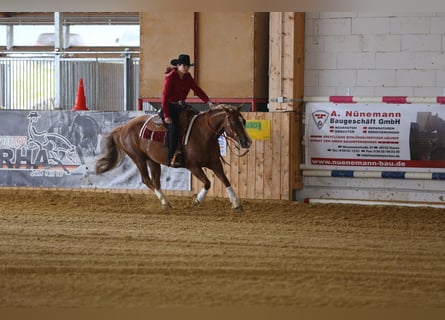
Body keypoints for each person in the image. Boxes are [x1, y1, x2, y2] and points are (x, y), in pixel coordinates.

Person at [161, 54, 214, 167]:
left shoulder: (188, 77)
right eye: (184, 66)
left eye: (187, 66)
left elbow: (197, 90)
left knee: (196, 120)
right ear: (178, 65)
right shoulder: (170, 77)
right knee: (174, 128)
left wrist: (208, 101)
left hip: (181, 106)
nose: (186, 68)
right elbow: (164, 97)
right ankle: (171, 157)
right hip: (170, 107)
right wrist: (166, 115)